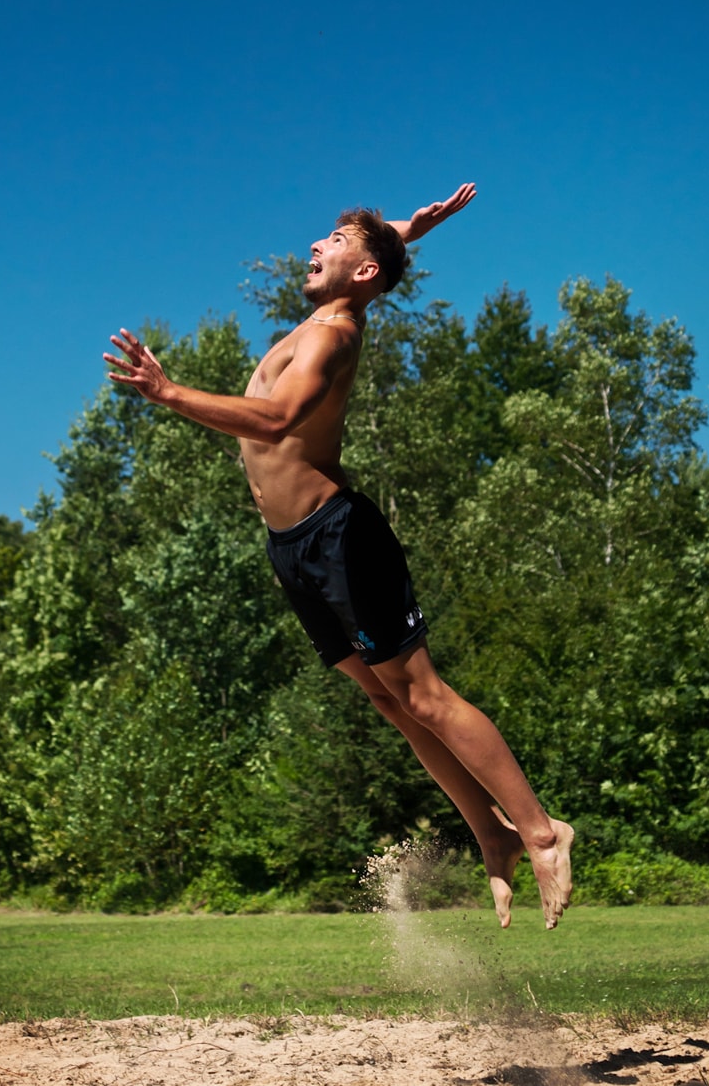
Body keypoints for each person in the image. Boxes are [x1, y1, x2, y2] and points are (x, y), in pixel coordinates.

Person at [103, 183, 573, 930]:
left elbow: (279, 418)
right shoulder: (328, 312)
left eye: (333, 240)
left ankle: (542, 831)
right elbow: (371, 257)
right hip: (291, 548)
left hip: (338, 537)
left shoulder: (331, 335)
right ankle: (491, 832)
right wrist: (403, 229)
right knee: (388, 702)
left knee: (421, 694)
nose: (316, 244)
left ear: (361, 274)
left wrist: (168, 392)